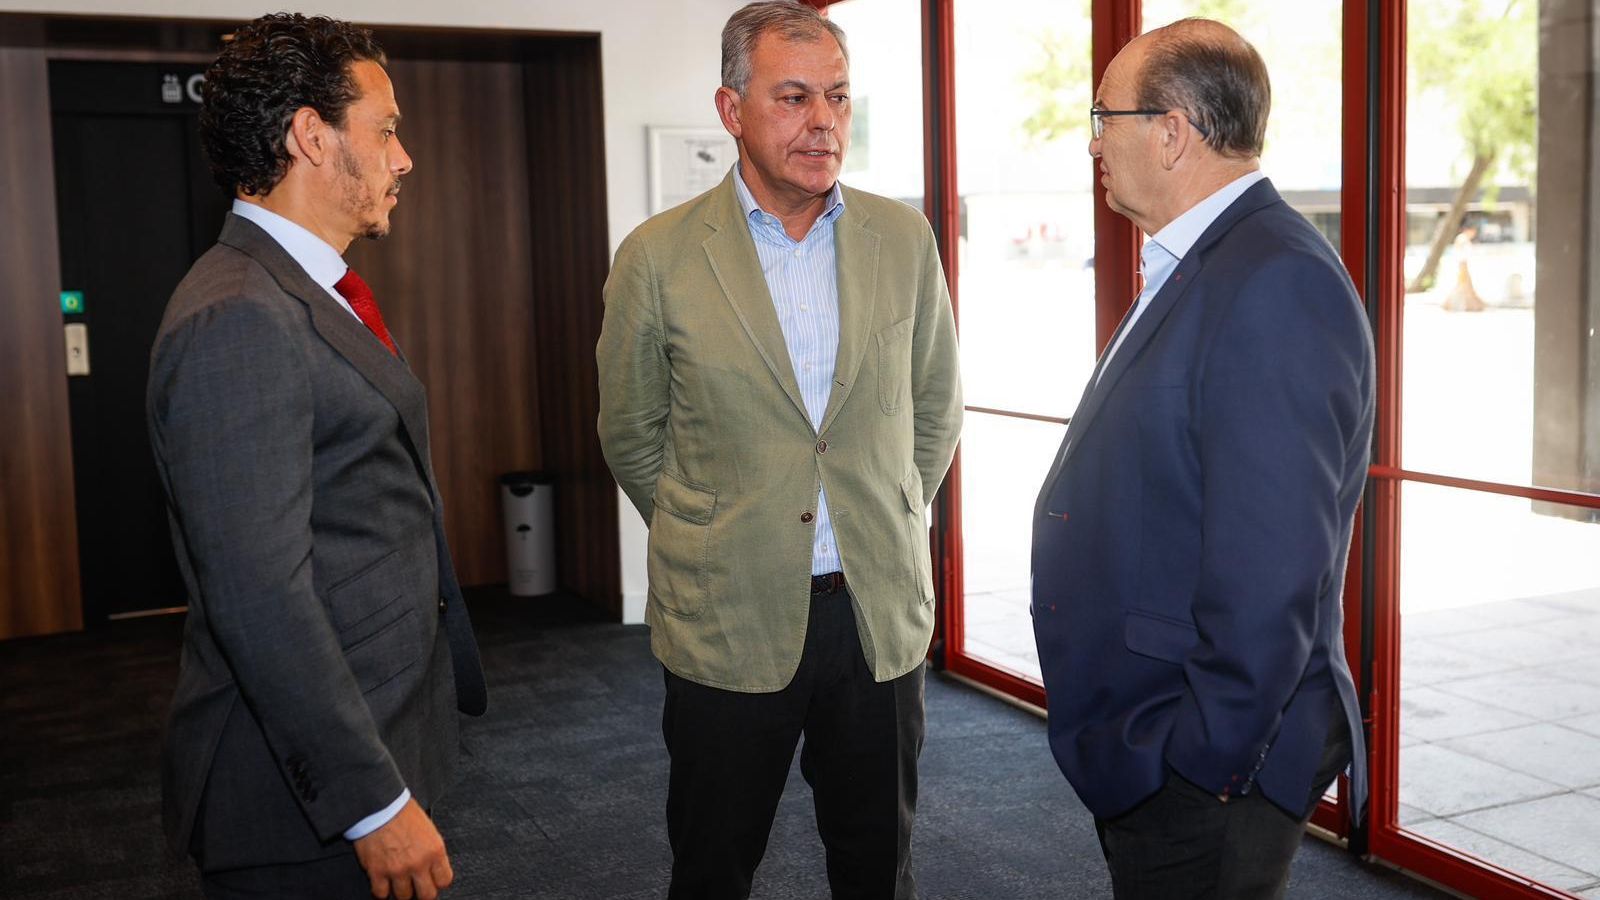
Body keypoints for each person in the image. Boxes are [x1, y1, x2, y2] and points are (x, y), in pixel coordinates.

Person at [596, 2, 962, 897]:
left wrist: (888, 512)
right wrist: (713, 528)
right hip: (728, 613)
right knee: (714, 864)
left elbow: (933, 408)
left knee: (879, 863)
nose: (823, 120)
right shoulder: (658, 256)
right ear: (731, 110)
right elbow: (632, 432)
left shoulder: (903, 239)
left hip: (875, 615)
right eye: (793, 96)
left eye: (837, 96)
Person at [1030, 18, 1374, 899]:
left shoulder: (1273, 281)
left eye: (1103, 117)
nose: (1094, 142)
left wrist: (1198, 763)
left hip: (1208, 771)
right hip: (1167, 740)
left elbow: (1272, 573)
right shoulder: (1207, 261)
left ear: (1171, 131)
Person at [147, 14, 486, 899]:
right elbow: (258, 594)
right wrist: (372, 804)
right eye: (385, 130)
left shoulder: (304, 289)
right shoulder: (239, 314)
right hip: (300, 800)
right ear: (310, 135)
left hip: (373, 726)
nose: (402, 157)